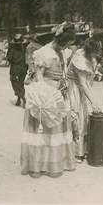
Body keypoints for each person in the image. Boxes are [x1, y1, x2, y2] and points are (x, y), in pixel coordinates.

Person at [21, 23, 76, 178]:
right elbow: (38, 77)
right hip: (46, 93)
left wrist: (63, 84)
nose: (66, 47)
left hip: (59, 91)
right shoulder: (44, 53)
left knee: (57, 129)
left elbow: (62, 71)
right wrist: (47, 98)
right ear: (59, 39)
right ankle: (40, 164)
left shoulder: (61, 52)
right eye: (65, 43)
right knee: (45, 129)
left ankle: (56, 161)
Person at [67, 37, 102, 163]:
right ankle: (77, 152)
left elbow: (87, 79)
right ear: (89, 50)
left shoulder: (90, 57)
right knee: (77, 119)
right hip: (75, 89)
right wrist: (93, 101)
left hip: (83, 88)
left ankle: (85, 150)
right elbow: (82, 83)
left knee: (86, 118)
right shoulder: (79, 58)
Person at [6, 34, 28, 107]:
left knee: (14, 83)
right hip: (24, 68)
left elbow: (9, 58)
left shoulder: (12, 49)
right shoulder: (25, 48)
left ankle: (23, 98)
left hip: (15, 68)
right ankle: (19, 99)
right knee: (21, 83)